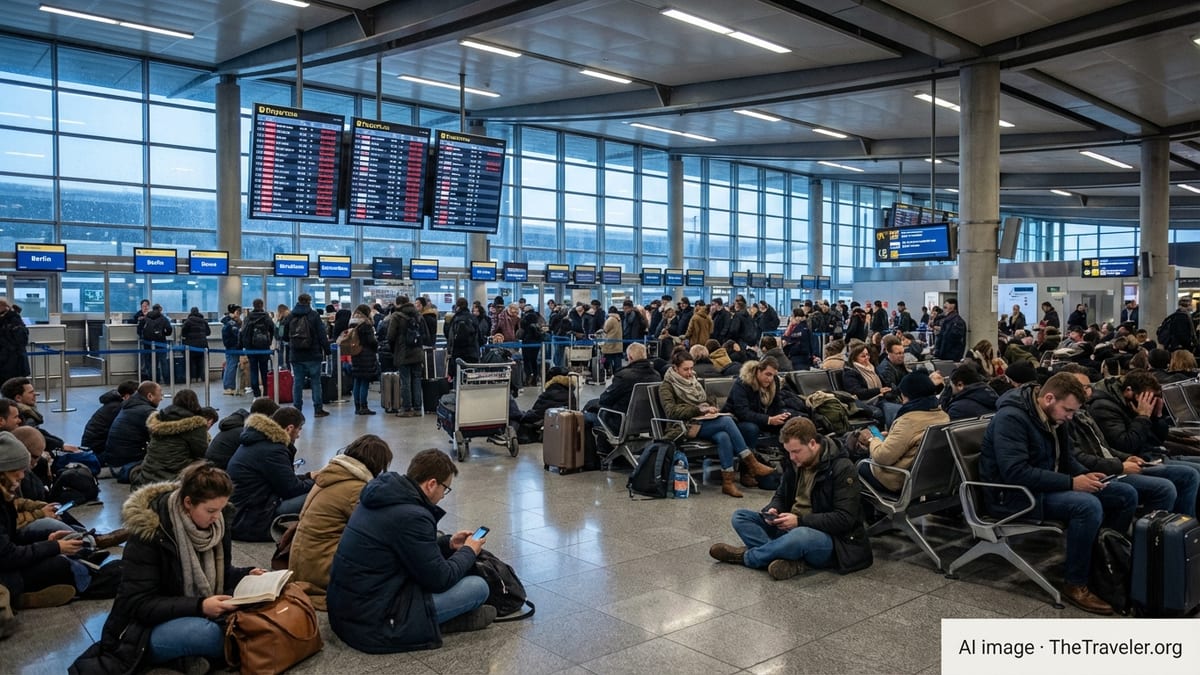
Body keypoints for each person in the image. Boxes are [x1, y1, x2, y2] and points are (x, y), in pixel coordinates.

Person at [71, 462, 264, 674]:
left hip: (184, 612)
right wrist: (200, 606)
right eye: (211, 510)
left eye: (220, 509)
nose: (217, 517)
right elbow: (139, 604)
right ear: (188, 502)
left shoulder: (215, 526)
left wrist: (246, 574)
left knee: (246, 622)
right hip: (141, 631)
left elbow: (220, 574)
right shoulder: (152, 532)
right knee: (212, 634)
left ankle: (184, 660)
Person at [979, 372, 1137, 615]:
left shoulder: (1055, 417)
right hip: (1013, 496)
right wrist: (1072, 483)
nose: (1071, 417)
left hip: (1043, 487)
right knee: (1086, 506)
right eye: (1068, 410)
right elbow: (1016, 473)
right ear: (1049, 398)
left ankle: (1102, 566)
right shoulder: (1011, 418)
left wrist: (1087, 475)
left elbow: (1066, 459)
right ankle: (1076, 583)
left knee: (1124, 494)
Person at [328, 449, 494, 653]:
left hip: (346, 610)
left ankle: (436, 621)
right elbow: (441, 579)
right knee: (478, 587)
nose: (443, 496)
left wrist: (447, 544)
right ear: (431, 484)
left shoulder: (383, 495)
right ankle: (436, 625)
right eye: (445, 489)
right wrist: (469, 550)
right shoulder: (413, 516)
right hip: (375, 623)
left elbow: (407, 550)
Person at [708, 416, 872, 579]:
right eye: (789, 452)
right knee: (740, 517)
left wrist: (800, 521)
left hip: (832, 540)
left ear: (813, 444)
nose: (792, 457)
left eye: (796, 451)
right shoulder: (795, 463)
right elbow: (781, 495)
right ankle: (783, 557)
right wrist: (773, 509)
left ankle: (747, 557)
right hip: (790, 526)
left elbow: (844, 519)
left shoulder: (842, 468)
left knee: (800, 536)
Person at [1059, 364, 1199, 518]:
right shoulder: (1100, 408)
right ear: (1128, 391)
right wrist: (1142, 417)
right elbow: (1125, 444)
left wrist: (1157, 416)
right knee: (1179, 480)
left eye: (1087, 387)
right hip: (1114, 466)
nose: (1088, 392)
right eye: (1083, 387)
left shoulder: (1085, 411)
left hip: (1138, 457)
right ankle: (1158, 533)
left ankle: (1183, 529)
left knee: (1193, 470)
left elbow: (1154, 439)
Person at [288, 434, 392, 610]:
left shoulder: (332, 475)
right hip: (321, 570)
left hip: (304, 562)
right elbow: (378, 531)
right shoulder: (356, 489)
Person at [658, 351, 774, 498]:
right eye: (685, 369)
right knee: (726, 421)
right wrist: (698, 410)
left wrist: (709, 406)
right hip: (683, 426)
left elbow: (706, 399)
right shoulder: (666, 386)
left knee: (723, 435)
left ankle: (728, 483)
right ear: (675, 368)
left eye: (691, 368)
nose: (690, 373)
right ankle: (752, 463)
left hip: (701, 422)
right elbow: (671, 411)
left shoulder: (694, 382)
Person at [0, 431, 83, 610]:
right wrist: (53, 547)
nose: (23, 476)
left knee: (52, 543)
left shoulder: (5, 495)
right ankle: (19, 597)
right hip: (5, 574)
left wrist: (48, 542)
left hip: (8, 564)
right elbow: (7, 556)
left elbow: (10, 539)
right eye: (19, 471)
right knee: (59, 564)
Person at [226, 407, 314, 542]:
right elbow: (291, 489)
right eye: (299, 429)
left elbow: (281, 478)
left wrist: (309, 476)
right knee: (319, 492)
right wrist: (317, 482)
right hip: (252, 520)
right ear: (290, 428)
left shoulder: (258, 440)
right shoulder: (273, 450)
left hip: (241, 513)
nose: (298, 435)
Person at [856, 370, 949, 494]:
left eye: (903, 396)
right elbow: (912, 441)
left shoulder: (908, 420)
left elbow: (882, 457)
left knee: (858, 464)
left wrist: (873, 440)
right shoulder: (943, 416)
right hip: (930, 479)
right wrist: (891, 436)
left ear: (908, 396)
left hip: (900, 480)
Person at [129, 389, 211, 488]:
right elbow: (201, 453)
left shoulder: (159, 418)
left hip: (148, 472)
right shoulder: (195, 425)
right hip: (173, 475)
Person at [282, 294, 330, 418]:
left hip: (296, 354)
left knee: (297, 382)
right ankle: (318, 409)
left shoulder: (290, 315)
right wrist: (327, 350)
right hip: (313, 354)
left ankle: (297, 409)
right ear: (309, 301)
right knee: (315, 382)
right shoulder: (314, 315)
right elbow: (321, 335)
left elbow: (284, 336)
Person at [103, 381, 163, 479]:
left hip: (114, 461)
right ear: (150, 396)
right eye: (160, 395)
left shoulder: (128, 406)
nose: (161, 398)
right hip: (127, 464)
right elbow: (164, 435)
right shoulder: (147, 412)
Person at [204, 397, 280, 471]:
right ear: (267, 418)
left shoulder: (240, 425)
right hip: (220, 472)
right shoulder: (248, 433)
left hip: (213, 468)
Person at [79, 380, 138, 461]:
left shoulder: (114, 405)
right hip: (98, 453)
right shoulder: (118, 408)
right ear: (127, 396)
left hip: (93, 449)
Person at [388, 295, 426, 417]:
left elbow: (390, 336)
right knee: (416, 380)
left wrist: (394, 347)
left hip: (403, 352)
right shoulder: (418, 315)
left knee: (405, 381)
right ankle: (418, 408)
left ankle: (407, 408)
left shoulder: (396, 316)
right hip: (417, 351)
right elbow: (425, 335)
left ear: (398, 304)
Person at [346, 304, 379, 416]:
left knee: (357, 380)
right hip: (366, 354)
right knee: (364, 381)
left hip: (355, 353)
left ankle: (357, 406)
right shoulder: (366, 324)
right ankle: (364, 406)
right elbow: (371, 341)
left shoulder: (352, 322)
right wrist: (376, 345)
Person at [239, 299, 276, 398]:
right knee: (264, 370)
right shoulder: (266, 317)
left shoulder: (248, 317)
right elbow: (273, 329)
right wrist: (269, 341)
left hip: (251, 348)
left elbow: (243, 333)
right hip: (264, 348)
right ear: (262, 305)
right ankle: (266, 391)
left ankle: (256, 393)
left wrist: (245, 345)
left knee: (253, 370)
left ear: (253, 305)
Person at [444, 298, 479, 376]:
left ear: (458, 307)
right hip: (472, 353)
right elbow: (479, 336)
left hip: (457, 353)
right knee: (470, 377)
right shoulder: (473, 318)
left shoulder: (455, 318)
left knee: (458, 377)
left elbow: (448, 335)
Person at [0, 298, 30, 386]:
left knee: (13, 391)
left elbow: (21, 340)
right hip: (7, 362)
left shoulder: (14, 320)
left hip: (13, 364)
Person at [179, 307, 210, 383]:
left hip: (191, 345)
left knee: (191, 362)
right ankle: (200, 377)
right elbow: (208, 332)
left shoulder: (188, 321)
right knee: (202, 362)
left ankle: (192, 378)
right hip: (203, 345)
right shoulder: (203, 321)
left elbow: (183, 333)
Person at [219, 304, 242, 396]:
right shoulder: (232, 324)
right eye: (238, 312)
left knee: (229, 366)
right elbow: (237, 335)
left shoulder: (227, 322)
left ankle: (228, 386)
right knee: (232, 366)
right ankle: (229, 387)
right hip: (233, 347)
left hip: (230, 347)